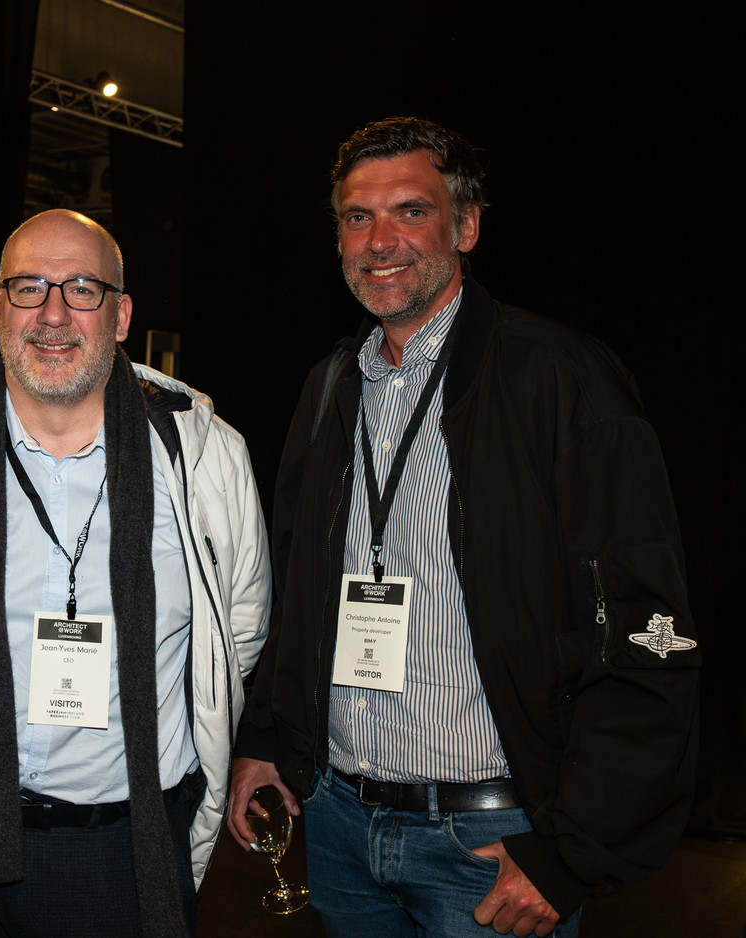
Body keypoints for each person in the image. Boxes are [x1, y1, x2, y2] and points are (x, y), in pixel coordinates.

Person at [228, 117, 698, 938]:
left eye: (411, 211)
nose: (380, 242)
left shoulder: (559, 377)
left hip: (491, 844)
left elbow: (647, 631)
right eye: (356, 217)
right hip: (340, 823)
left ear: (467, 227)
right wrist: (269, 736)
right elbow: (298, 580)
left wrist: (570, 851)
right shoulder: (332, 385)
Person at [0, 209, 271, 937]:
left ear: (120, 315)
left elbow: (236, 631)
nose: (53, 314)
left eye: (83, 289)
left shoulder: (205, 457)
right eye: (28, 288)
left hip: (121, 844)